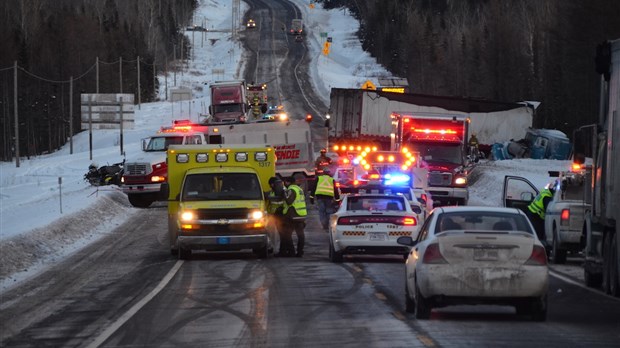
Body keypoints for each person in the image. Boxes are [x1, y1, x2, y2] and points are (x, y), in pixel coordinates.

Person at [282, 175, 308, 257]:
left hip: (293, 216)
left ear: (288, 182)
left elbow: (289, 201)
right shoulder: (299, 189)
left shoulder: (291, 189)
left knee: (287, 234)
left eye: (285, 182)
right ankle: (300, 252)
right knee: (300, 235)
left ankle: (292, 252)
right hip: (301, 215)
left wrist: (284, 195)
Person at [525, 181, 556, 249]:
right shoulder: (547, 197)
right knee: (538, 235)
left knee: (536, 234)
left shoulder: (544, 191)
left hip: (532, 213)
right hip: (535, 216)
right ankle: (538, 250)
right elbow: (548, 210)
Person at [267, 177, 293, 257]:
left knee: (283, 234)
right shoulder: (274, 191)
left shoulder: (282, 191)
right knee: (282, 234)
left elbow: (279, 201)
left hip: (282, 215)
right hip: (275, 215)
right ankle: (285, 251)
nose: (271, 186)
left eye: (271, 184)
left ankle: (285, 252)